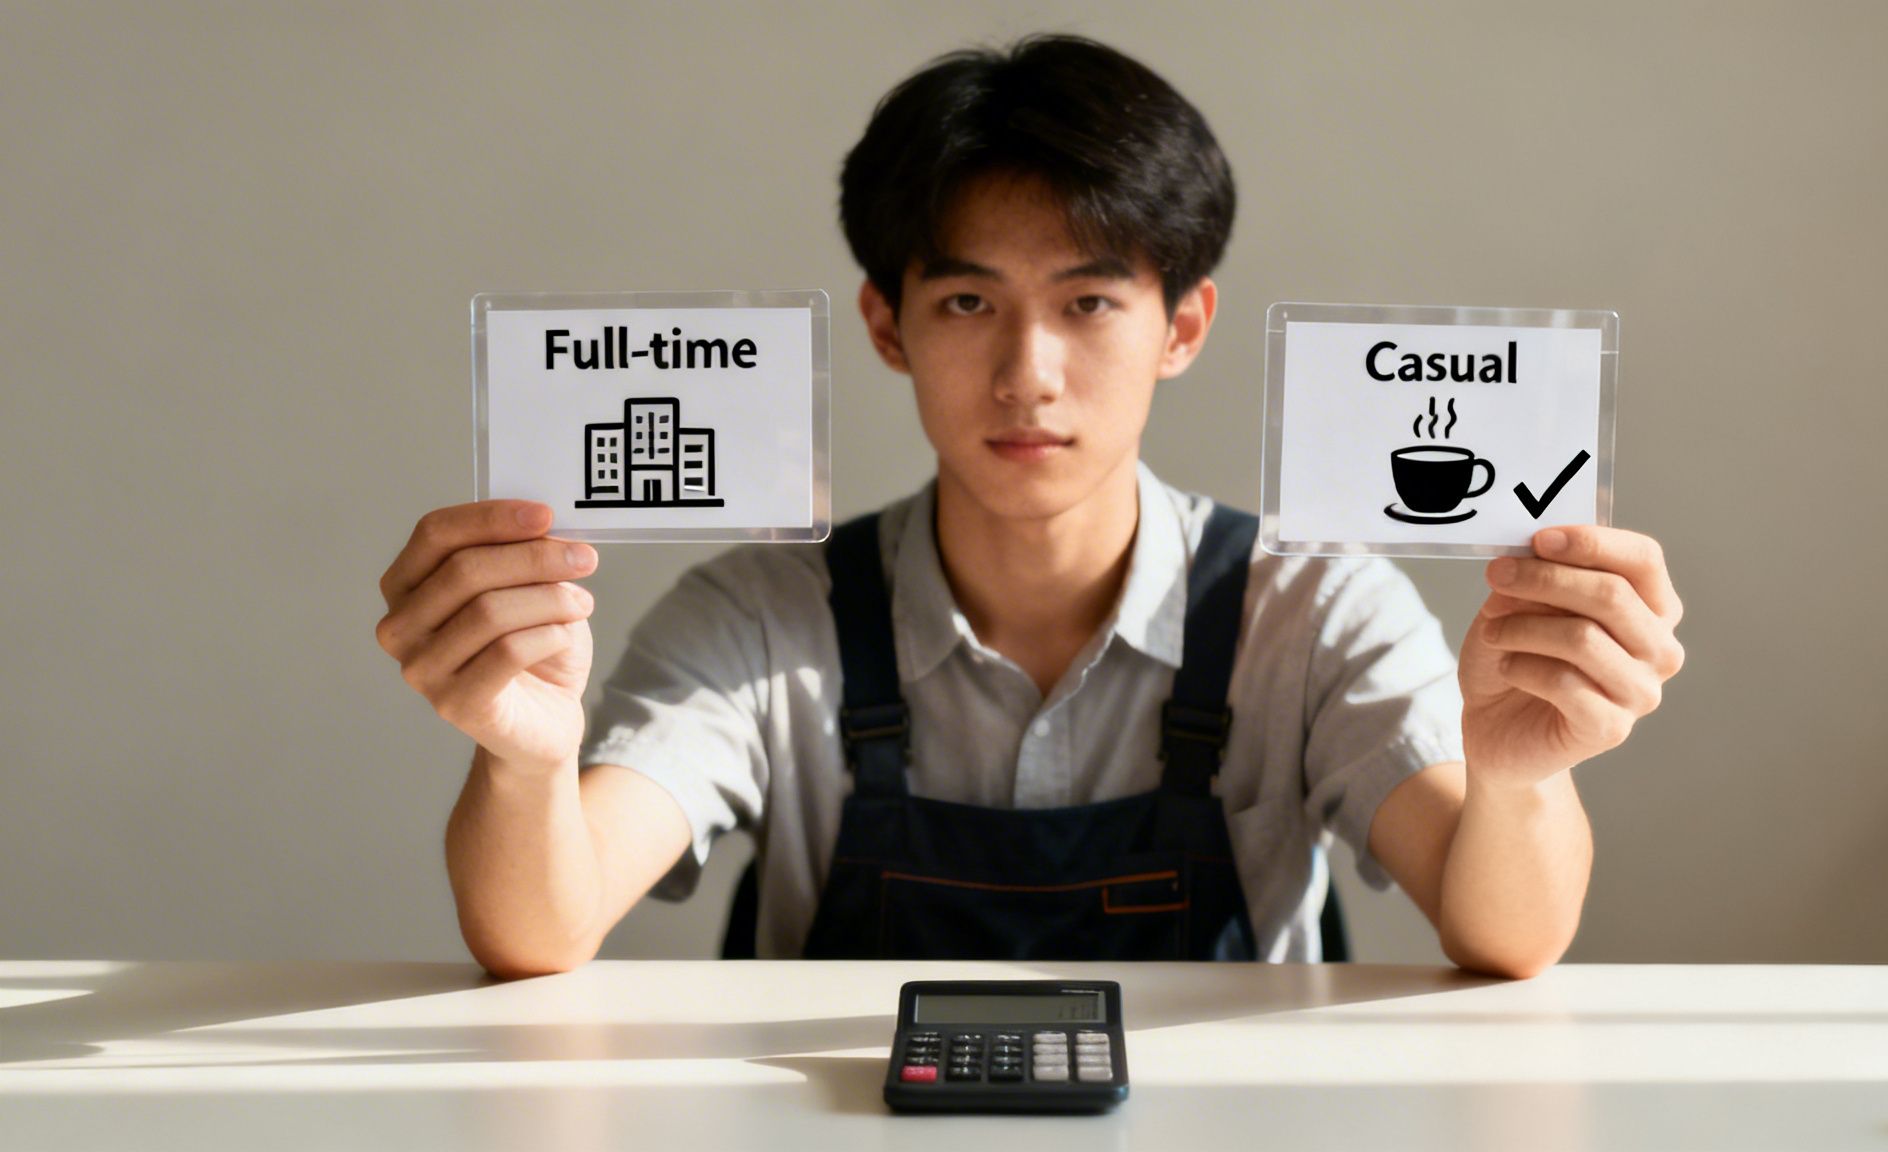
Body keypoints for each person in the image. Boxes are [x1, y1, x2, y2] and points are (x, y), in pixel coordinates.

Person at [375, 35, 1683, 979]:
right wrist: (524, 754)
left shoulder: (1312, 608)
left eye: (1089, 302)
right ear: (886, 325)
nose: (1027, 374)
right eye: (966, 303)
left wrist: (1521, 778)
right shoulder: (761, 612)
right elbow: (538, 929)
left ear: (1184, 325)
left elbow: (1503, 931)